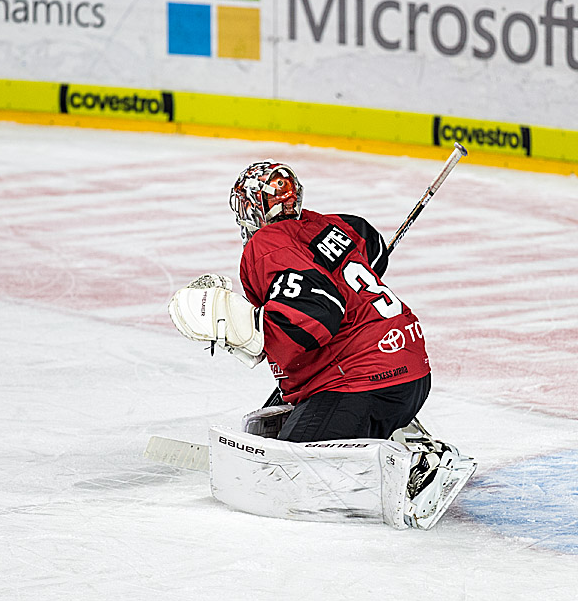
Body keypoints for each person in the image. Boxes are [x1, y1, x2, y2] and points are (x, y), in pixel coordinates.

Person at [167, 159, 433, 445]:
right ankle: (395, 438)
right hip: (412, 370)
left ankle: (394, 454)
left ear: (256, 207)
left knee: (288, 467)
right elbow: (375, 247)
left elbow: (317, 312)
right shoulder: (329, 223)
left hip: (361, 383)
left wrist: (247, 331)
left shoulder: (267, 245)